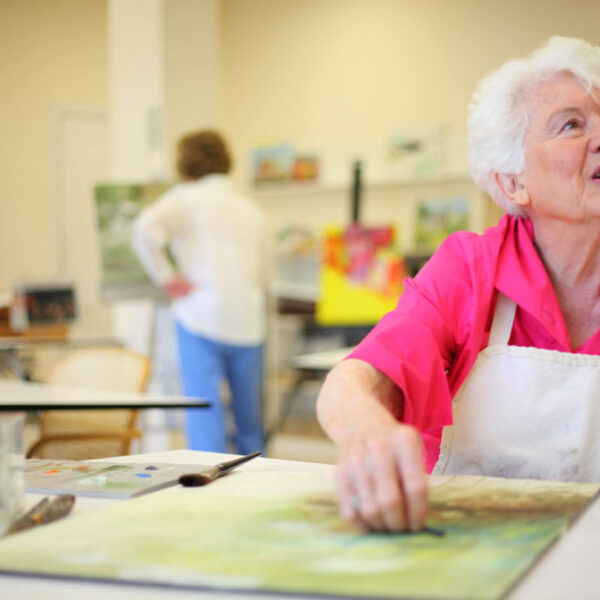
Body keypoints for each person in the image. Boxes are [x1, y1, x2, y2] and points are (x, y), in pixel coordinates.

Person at [316, 36, 600, 534]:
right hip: (466, 551)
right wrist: (367, 430)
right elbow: (354, 381)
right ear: (513, 183)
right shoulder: (470, 268)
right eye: (572, 125)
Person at [132, 130, 268, 454]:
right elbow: (264, 273)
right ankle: (259, 483)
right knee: (250, 420)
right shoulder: (252, 210)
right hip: (248, 321)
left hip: (200, 317)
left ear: (185, 164)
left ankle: (209, 489)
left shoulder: (186, 198)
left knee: (204, 415)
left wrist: (166, 277)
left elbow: (144, 229)